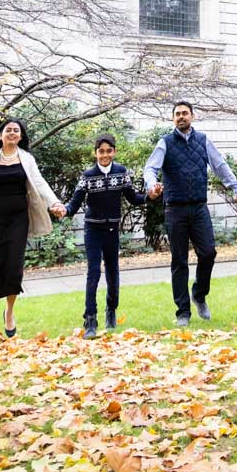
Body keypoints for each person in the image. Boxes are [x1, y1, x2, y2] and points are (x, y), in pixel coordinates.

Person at [0, 118, 66, 346]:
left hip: (18, 222)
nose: (12, 133)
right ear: (0, 136)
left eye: (16, 130)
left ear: (20, 136)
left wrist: (54, 204)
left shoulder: (27, 159)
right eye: (8, 130)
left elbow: (40, 184)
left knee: (13, 270)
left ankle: (9, 312)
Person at [144, 101, 237, 326]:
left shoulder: (203, 140)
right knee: (179, 261)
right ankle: (183, 312)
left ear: (192, 116)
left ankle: (199, 294)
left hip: (199, 207)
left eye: (185, 113)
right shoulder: (165, 142)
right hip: (175, 209)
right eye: (177, 114)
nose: (181, 117)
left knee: (209, 253)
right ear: (173, 118)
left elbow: (220, 166)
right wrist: (152, 185)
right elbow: (151, 168)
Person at [63, 133, 146, 338]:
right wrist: (63, 210)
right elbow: (74, 203)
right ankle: (90, 319)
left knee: (112, 272)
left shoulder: (121, 172)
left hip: (112, 230)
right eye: (101, 151)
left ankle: (111, 310)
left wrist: (150, 196)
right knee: (94, 273)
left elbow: (133, 198)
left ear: (114, 152)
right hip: (93, 230)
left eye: (109, 151)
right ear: (95, 153)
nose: (105, 155)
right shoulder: (88, 176)